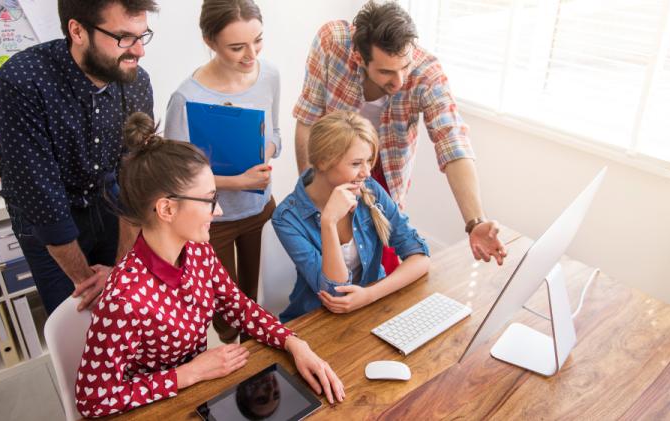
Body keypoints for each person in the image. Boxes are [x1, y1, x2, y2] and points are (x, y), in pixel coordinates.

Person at [74, 112, 344, 418]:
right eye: (209, 199)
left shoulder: (198, 250)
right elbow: (92, 400)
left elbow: (237, 307)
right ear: (167, 209)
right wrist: (189, 374)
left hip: (199, 397)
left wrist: (295, 344)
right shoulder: (125, 299)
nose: (218, 211)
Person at [292, 1, 506, 269]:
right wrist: (312, 192)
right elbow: (308, 119)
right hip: (333, 165)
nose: (400, 80)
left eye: (405, 66)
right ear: (360, 57)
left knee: (382, 261)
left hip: (386, 174)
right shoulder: (331, 42)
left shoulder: (427, 73)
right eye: (386, 72)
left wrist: (475, 221)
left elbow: (453, 143)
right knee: (329, 254)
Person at [0, 0, 158, 313]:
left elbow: (135, 178)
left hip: (109, 201)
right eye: (123, 38)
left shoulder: (136, 82)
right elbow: (42, 198)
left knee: (126, 307)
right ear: (77, 31)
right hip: (46, 215)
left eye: (142, 36)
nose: (138, 51)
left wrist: (118, 272)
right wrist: (86, 283)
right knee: (76, 317)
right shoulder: (22, 83)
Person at [164, 0, 280, 344]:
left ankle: (257, 363)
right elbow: (176, 176)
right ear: (209, 41)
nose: (251, 55)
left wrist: (262, 152)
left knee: (260, 299)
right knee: (227, 315)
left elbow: (275, 136)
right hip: (213, 222)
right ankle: (235, 364)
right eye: (236, 47)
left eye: (257, 40)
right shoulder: (186, 98)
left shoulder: (269, 74)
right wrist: (237, 181)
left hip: (261, 208)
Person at [273, 111, 431, 322]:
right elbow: (336, 293)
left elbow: (419, 256)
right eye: (356, 164)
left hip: (371, 308)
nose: (366, 172)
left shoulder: (370, 190)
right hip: (316, 319)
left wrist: (369, 295)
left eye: (368, 161)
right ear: (322, 162)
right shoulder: (287, 217)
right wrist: (328, 222)